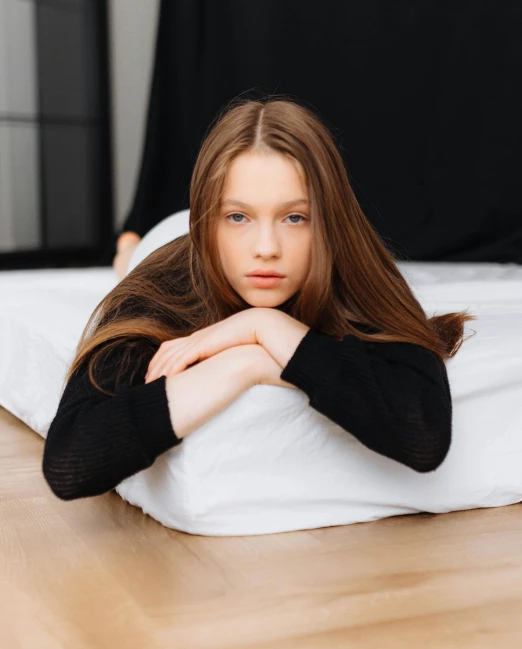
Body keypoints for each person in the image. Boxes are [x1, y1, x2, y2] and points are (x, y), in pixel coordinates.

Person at [42, 95, 476, 501]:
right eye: (237, 216)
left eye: (294, 217)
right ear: (209, 221)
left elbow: (422, 436)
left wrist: (263, 331)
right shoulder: (164, 283)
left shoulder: (355, 266)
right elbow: (69, 465)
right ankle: (128, 247)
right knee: (132, 258)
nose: (266, 247)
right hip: (169, 238)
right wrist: (241, 363)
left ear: (327, 220)